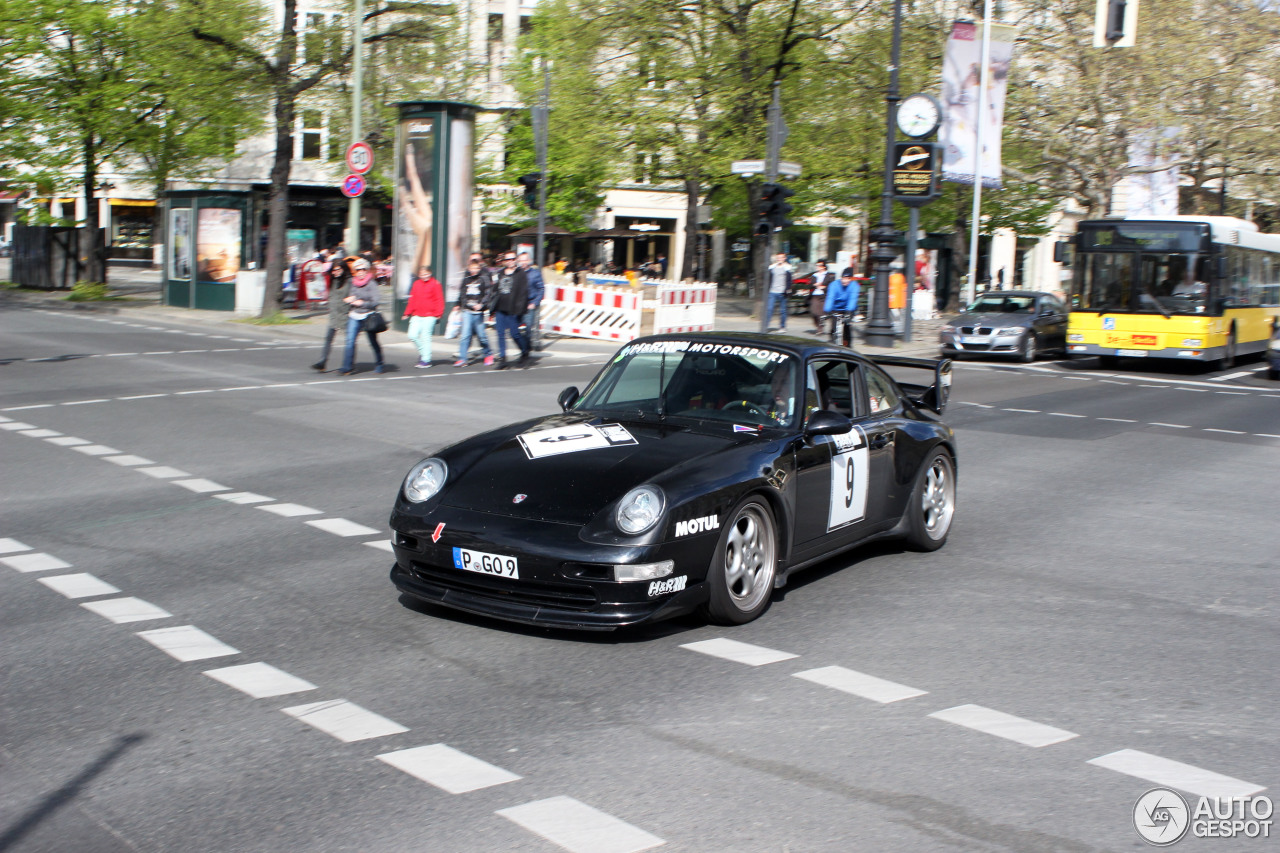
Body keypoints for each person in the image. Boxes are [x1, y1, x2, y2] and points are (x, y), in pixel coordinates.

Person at [339, 257, 384, 375]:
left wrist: (362, 303)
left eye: (363, 269)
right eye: (358, 270)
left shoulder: (371, 284)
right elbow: (352, 295)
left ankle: (379, 362)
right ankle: (347, 367)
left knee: (372, 341)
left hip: (368, 315)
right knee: (350, 341)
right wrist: (350, 299)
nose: (360, 272)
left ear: (367, 270)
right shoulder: (354, 283)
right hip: (354, 314)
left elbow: (375, 301)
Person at [311, 256, 351, 372]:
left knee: (349, 341)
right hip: (334, 314)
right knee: (328, 339)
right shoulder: (333, 280)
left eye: (338, 270)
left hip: (346, 314)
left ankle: (347, 365)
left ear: (343, 269)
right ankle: (322, 362)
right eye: (334, 270)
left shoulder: (349, 281)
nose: (336, 272)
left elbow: (352, 295)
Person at [491, 252, 530, 368]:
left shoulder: (520, 274)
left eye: (512, 259)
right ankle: (502, 359)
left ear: (516, 260)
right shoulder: (500, 273)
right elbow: (495, 289)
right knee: (500, 334)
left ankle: (525, 350)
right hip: (500, 308)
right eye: (507, 259)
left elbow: (523, 293)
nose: (510, 261)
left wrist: (520, 309)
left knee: (515, 334)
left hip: (513, 309)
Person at [455, 259, 495, 367]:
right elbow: (462, 294)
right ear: (469, 268)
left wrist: (481, 305)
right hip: (467, 310)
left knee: (481, 335)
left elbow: (488, 293)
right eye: (472, 268)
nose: (474, 270)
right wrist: (463, 304)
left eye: (476, 268)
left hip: (478, 312)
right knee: (465, 335)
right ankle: (462, 358)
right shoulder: (466, 279)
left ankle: (488, 354)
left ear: (479, 268)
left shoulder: (484, 278)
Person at [403, 264, 444, 368]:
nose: (425, 276)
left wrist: (439, 313)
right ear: (419, 275)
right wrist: (407, 313)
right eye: (422, 274)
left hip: (430, 315)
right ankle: (424, 353)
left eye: (427, 274)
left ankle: (426, 360)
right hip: (417, 314)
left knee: (426, 336)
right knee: (412, 335)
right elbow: (412, 299)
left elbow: (439, 299)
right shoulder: (416, 284)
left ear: (430, 273)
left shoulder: (435, 284)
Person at [824, 270, 860, 346]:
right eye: (843, 278)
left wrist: (849, 312)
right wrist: (827, 311)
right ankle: (833, 344)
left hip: (848, 308)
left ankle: (848, 346)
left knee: (847, 326)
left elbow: (852, 299)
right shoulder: (834, 285)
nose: (845, 280)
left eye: (848, 278)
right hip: (836, 308)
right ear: (841, 278)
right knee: (834, 327)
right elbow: (830, 298)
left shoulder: (854, 286)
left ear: (851, 279)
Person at [517, 252, 544, 354]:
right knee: (514, 328)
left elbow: (541, 289)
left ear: (529, 261)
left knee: (528, 328)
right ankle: (524, 346)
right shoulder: (517, 272)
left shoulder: (535, 273)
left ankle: (525, 350)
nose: (523, 262)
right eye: (521, 260)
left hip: (529, 304)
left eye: (525, 260)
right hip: (518, 304)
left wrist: (535, 302)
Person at [765, 252, 792, 332]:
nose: (779, 259)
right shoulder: (772, 267)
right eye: (778, 258)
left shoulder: (787, 268)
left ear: (784, 258)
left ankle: (782, 327)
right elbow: (769, 278)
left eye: (781, 257)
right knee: (769, 309)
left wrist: (787, 289)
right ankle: (765, 326)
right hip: (772, 291)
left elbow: (789, 280)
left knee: (782, 310)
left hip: (782, 292)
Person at [808, 260, 834, 333]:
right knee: (814, 311)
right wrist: (814, 285)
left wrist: (824, 287)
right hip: (815, 294)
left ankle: (820, 328)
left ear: (824, 267)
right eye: (817, 265)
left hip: (824, 295)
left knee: (820, 312)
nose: (817, 267)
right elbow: (810, 285)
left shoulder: (829, 276)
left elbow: (831, 286)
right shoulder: (814, 275)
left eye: (819, 265)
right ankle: (818, 324)